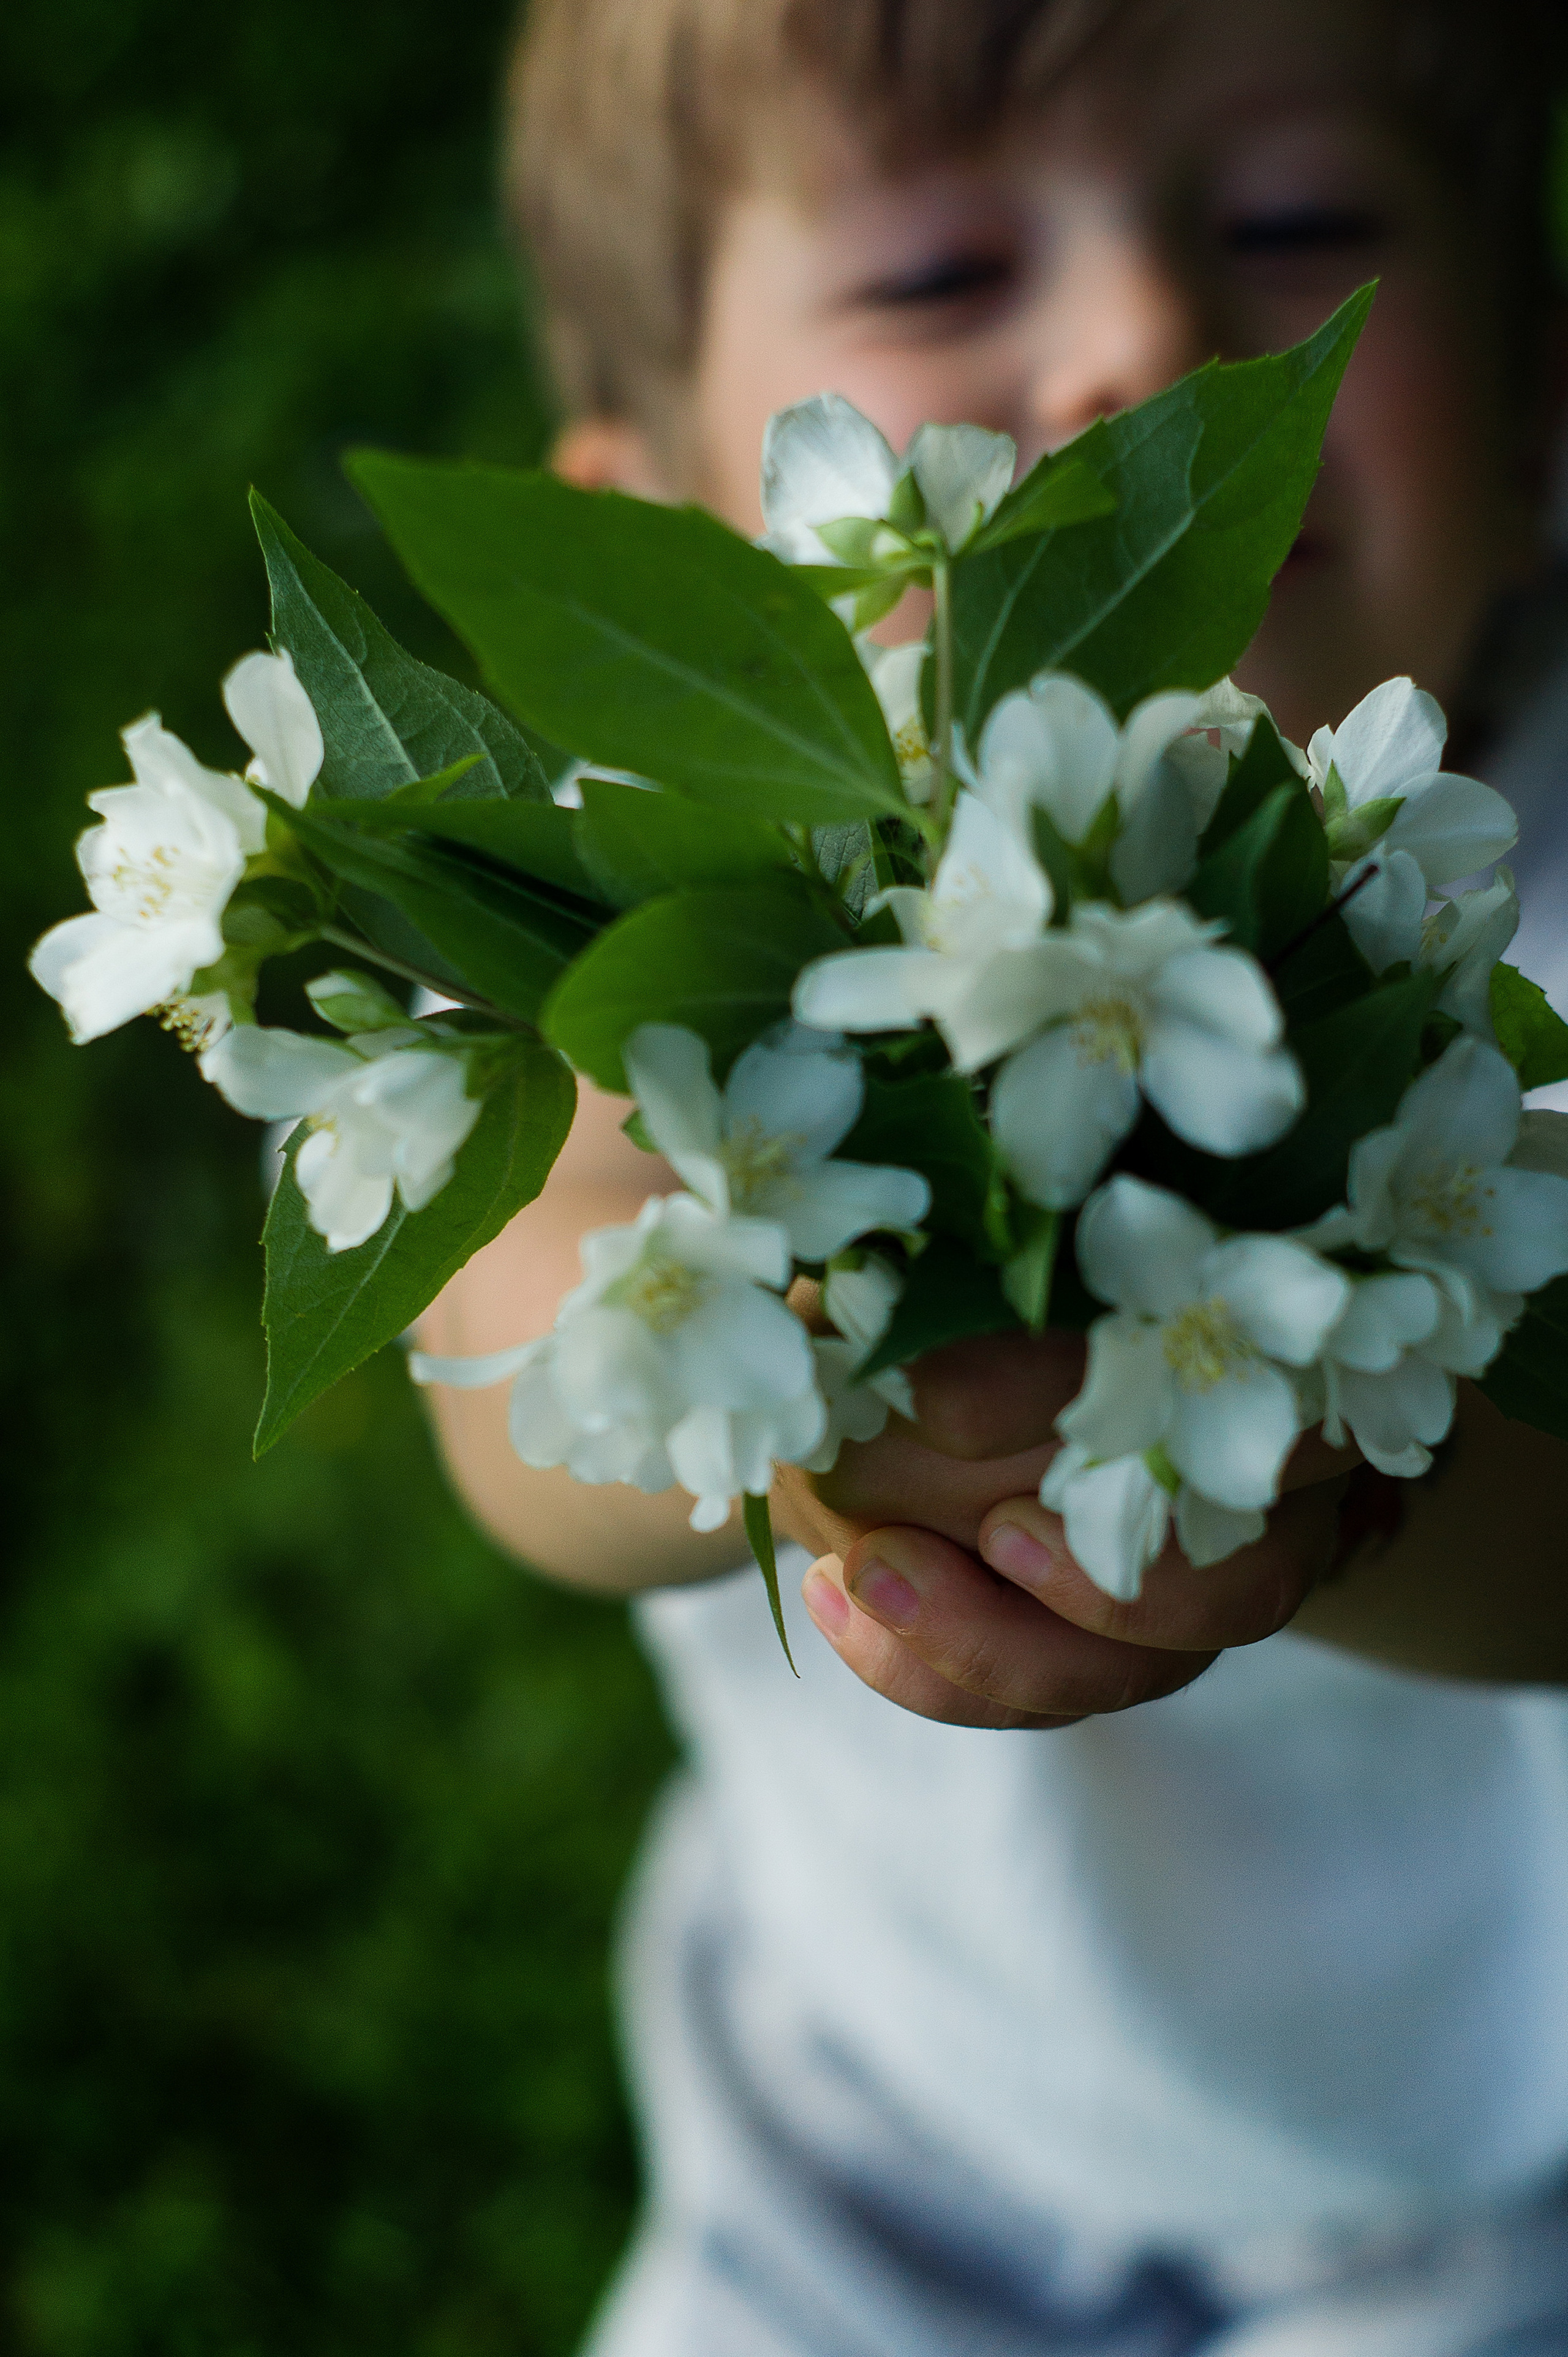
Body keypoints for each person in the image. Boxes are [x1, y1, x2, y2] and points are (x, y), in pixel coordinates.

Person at [419, 1, 1568, 2347]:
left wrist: (1294, 1460)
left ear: (1549, 407)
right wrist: (827, 1404)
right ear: (664, 547)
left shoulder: (1487, 877)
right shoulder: (661, 903)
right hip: (857, 2126)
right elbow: (508, 1360)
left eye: (1295, 225)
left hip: (1468, 2170)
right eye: (942, 273)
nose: (1149, 339)